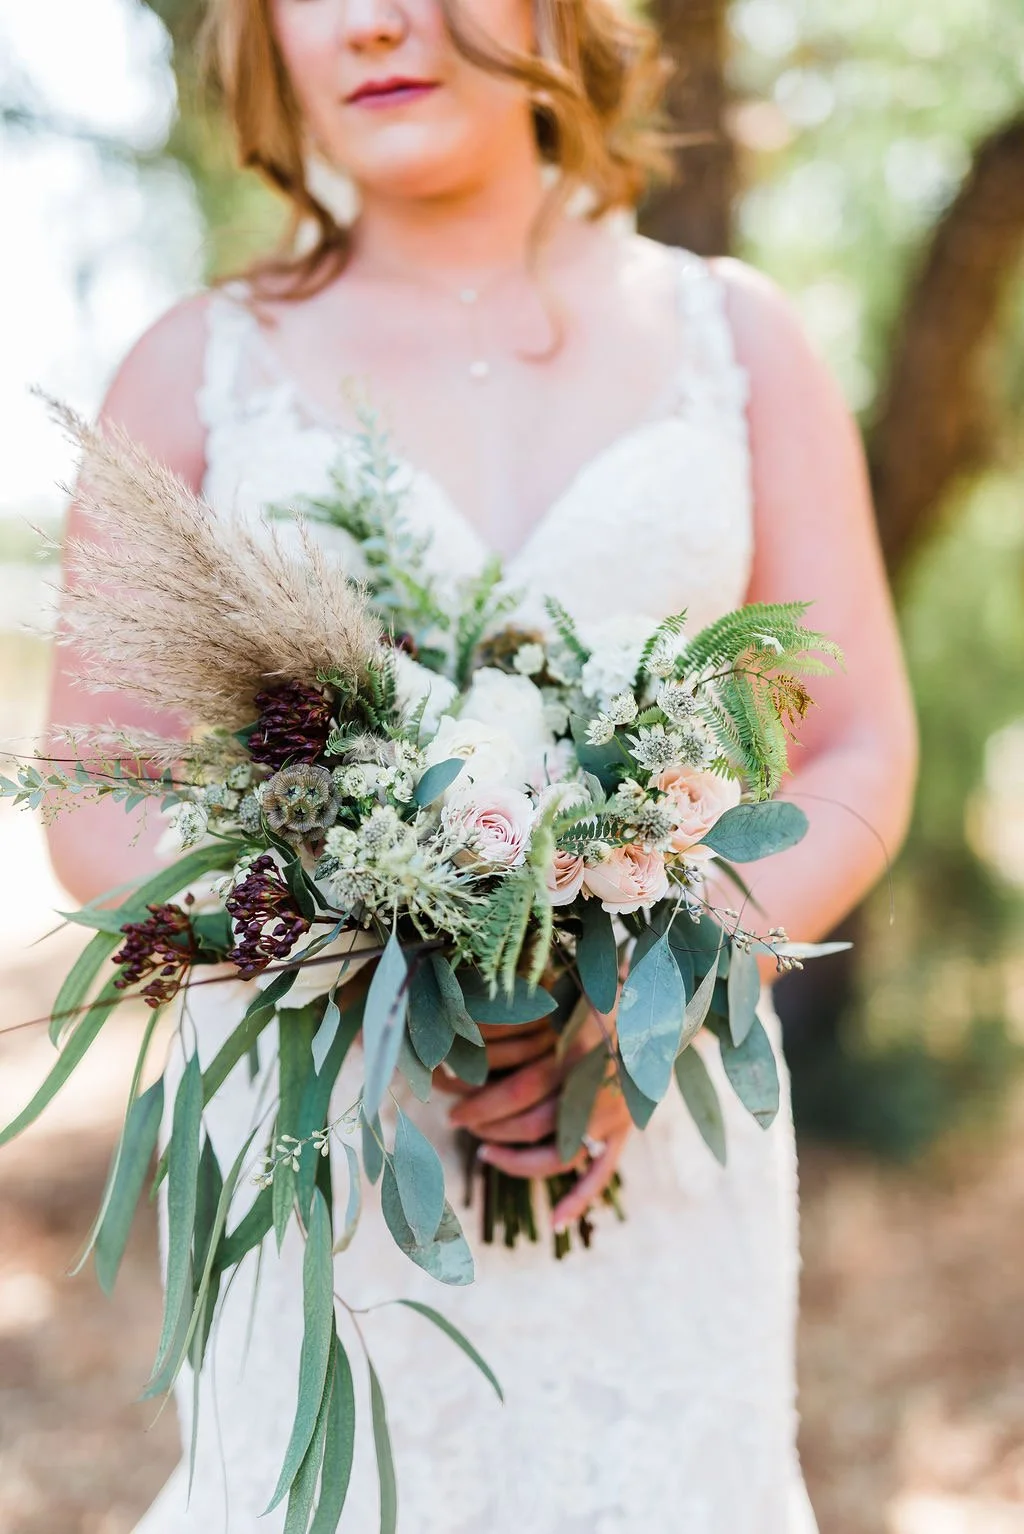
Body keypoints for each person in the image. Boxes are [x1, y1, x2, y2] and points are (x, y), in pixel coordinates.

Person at [44, 0, 917, 1527]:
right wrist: (345, 944)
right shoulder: (187, 373)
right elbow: (89, 789)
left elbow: (857, 737)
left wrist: (670, 981)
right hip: (332, 1160)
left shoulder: (740, 339)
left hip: (663, 1137)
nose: (377, 20)